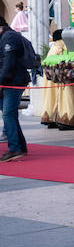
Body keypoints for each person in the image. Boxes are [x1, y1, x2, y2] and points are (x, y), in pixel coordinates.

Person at [0, 12, 32, 163]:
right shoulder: (6, 37)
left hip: (13, 81)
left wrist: (0, 82)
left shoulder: (9, 38)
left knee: (8, 114)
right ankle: (20, 146)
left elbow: (8, 64)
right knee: (10, 114)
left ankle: (14, 149)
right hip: (10, 81)